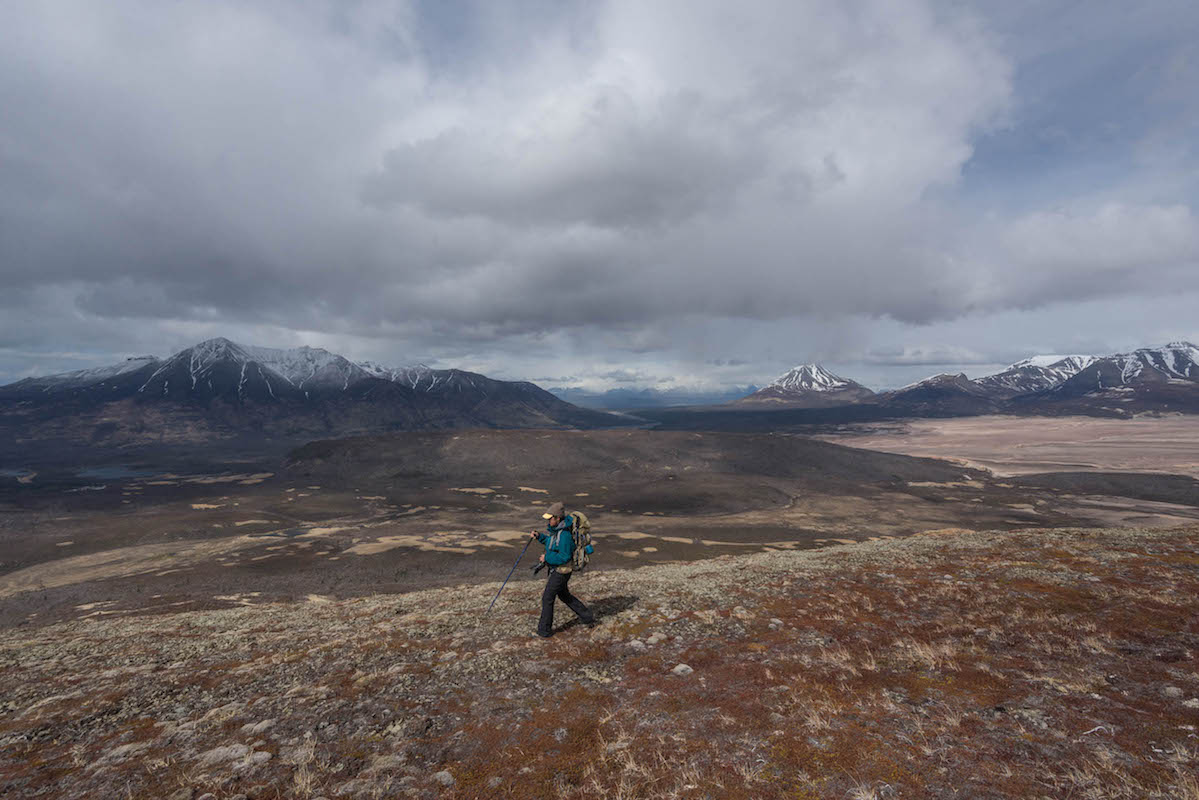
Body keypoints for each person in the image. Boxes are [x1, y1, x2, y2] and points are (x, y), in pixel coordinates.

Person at [531, 501, 595, 637]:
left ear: (557, 518)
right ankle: (587, 616)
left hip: (562, 572)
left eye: (550, 518)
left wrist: (546, 558)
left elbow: (564, 557)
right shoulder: (557, 530)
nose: (548, 521)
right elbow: (550, 543)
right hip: (559, 571)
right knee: (564, 595)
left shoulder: (564, 535)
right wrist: (539, 537)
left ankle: (544, 631)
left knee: (547, 598)